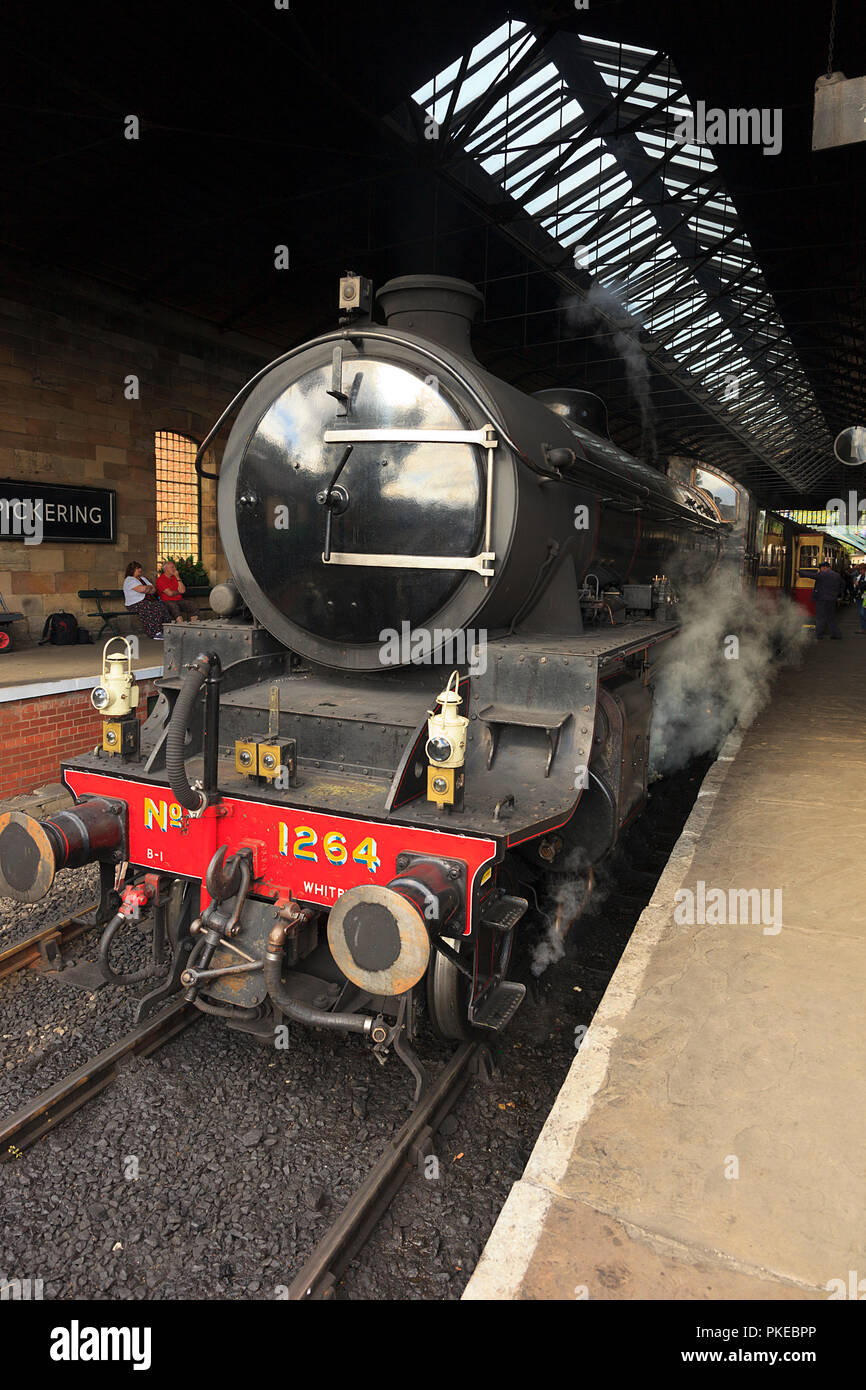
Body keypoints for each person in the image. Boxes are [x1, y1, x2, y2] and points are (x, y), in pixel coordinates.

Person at [123, 560, 173, 640]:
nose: (140, 570)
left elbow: (153, 590)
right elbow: (142, 589)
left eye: (140, 568)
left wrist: (148, 588)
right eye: (137, 568)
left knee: (161, 606)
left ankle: (166, 630)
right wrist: (148, 588)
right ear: (132, 570)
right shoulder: (129, 580)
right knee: (152, 608)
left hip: (146, 601)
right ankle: (155, 633)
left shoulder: (142, 578)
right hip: (134, 604)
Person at [812, 560, 843, 640]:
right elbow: (843, 584)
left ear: (825, 568)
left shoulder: (823, 574)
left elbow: (811, 575)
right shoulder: (836, 575)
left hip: (822, 599)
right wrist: (838, 594)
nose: (820, 569)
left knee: (820, 617)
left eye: (821, 568)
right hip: (832, 599)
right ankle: (836, 634)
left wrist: (800, 572)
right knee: (831, 617)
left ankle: (819, 635)